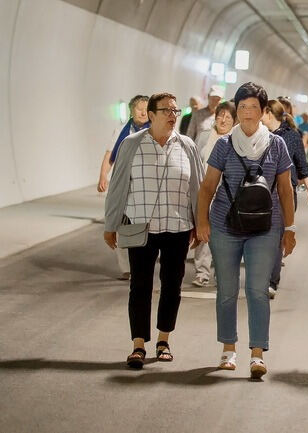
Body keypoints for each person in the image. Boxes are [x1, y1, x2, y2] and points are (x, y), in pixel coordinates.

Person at [195, 82, 297, 380]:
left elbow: (285, 190)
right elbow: (207, 186)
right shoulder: (224, 144)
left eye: (254, 107)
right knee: (226, 290)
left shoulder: (276, 145)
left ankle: (257, 353)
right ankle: (228, 349)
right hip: (225, 225)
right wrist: (202, 222)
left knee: (256, 290)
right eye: (242, 107)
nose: (248, 113)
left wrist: (289, 229)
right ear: (235, 111)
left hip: (266, 226)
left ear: (264, 111)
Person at [103, 92, 204, 369]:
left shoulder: (187, 146)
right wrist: (111, 224)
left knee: (172, 286)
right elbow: (118, 186)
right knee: (140, 285)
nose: (173, 115)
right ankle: (138, 344)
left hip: (177, 227)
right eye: (167, 110)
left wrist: (200, 221)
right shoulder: (131, 144)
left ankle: (163, 340)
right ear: (151, 114)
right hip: (140, 226)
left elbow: (198, 186)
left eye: (176, 110)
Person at [261, 98, 308, 297]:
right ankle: (259, 276)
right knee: (260, 237)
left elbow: (302, 167)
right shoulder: (258, 134)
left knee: (278, 237)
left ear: (269, 113)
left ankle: (271, 281)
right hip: (259, 193)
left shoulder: (292, 136)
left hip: (283, 194)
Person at [98, 94, 150, 281]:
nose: (143, 112)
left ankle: (143, 263)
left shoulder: (154, 130)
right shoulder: (122, 131)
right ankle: (126, 267)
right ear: (131, 110)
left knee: (143, 225)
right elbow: (109, 154)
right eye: (139, 108)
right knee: (120, 224)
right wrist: (103, 175)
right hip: (122, 183)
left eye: (146, 108)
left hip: (145, 184)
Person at [191, 101, 237, 287]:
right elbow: (193, 162)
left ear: (234, 121)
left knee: (224, 236)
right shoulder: (204, 136)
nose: (223, 120)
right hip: (204, 191)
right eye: (220, 115)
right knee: (203, 231)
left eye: (228, 117)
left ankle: (222, 273)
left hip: (226, 195)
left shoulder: (236, 139)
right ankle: (202, 272)